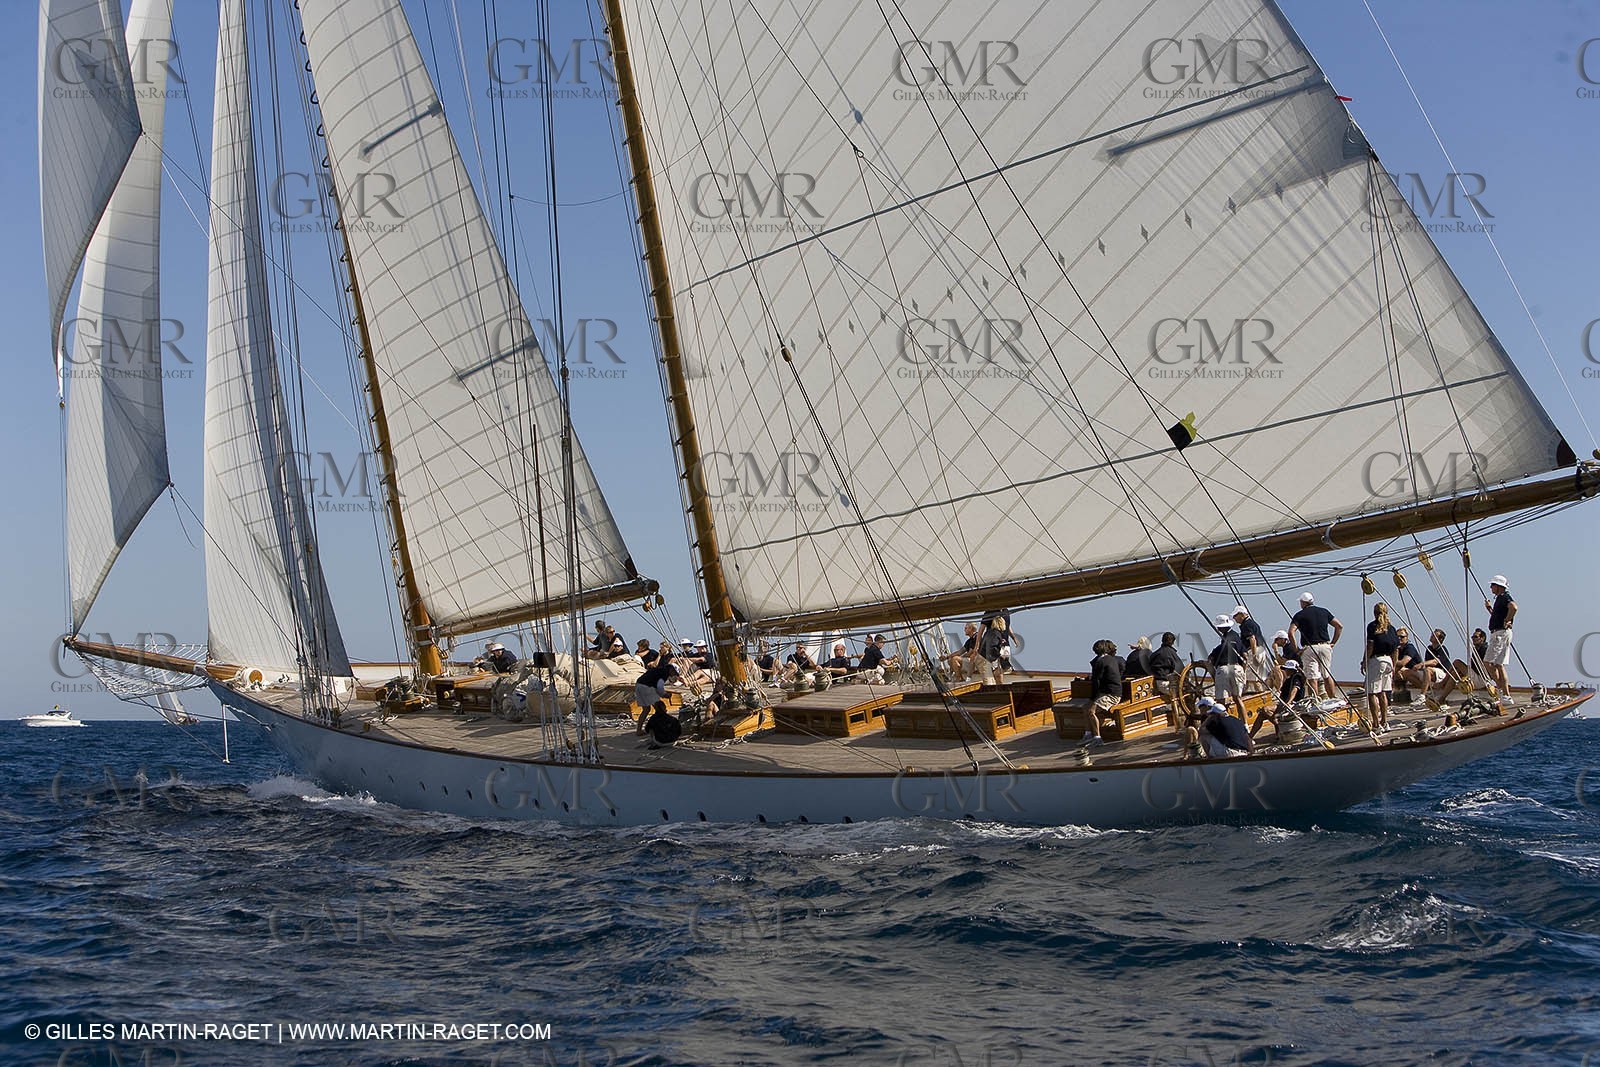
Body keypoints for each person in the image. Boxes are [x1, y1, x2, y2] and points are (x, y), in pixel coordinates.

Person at [1289, 592, 1344, 703]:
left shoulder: (1299, 615)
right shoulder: (1324, 611)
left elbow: (1291, 632)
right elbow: (1339, 626)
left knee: (1312, 677)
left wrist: (1296, 649)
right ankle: (1333, 699)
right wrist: (1333, 643)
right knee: (1327, 674)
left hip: (1309, 648)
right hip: (1325, 646)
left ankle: (1315, 702)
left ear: (1303, 603)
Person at [1362, 602, 1399, 732]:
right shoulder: (1392, 629)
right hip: (1388, 660)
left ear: (1375, 613)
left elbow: (1370, 646)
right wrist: (1394, 666)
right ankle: (1384, 721)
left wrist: (1364, 661)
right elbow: (1396, 650)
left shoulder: (1373, 626)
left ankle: (1376, 724)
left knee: (1372, 693)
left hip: (1377, 660)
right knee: (1382, 692)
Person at [1208, 613, 1248, 722]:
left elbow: (1210, 660)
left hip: (1224, 669)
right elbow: (1245, 656)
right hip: (1237, 668)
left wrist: (1214, 673)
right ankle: (1244, 724)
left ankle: (1223, 724)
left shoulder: (1223, 642)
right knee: (1238, 698)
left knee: (1221, 701)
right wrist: (1243, 671)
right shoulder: (1236, 637)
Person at [1483, 575, 1517, 704]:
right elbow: (1498, 616)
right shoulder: (1500, 599)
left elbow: (1514, 607)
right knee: (1499, 665)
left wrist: (1508, 620)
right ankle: (1506, 695)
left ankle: (1501, 690)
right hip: (1501, 633)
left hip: (1499, 634)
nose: (1491, 587)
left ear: (1498, 586)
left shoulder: (1503, 597)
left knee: (1488, 663)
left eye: (1492, 585)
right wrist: (1490, 609)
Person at [634, 659, 682, 745]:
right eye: (674, 673)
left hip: (639, 685)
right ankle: (661, 727)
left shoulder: (659, 669)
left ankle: (639, 730)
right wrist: (665, 695)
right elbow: (659, 687)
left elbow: (656, 684)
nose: (673, 675)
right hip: (647, 687)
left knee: (646, 710)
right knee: (659, 708)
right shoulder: (664, 673)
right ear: (671, 669)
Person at [1087, 639, 1124, 742]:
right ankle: (1088, 734)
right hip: (1113, 692)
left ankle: (1097, 738)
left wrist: (1093, 698)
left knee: (1090, 711)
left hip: (1111, 694)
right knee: (1086, 708)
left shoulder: (1100, 662)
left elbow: (1096, 682)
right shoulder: (1112, 659)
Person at [1233, 605, 1269, 694]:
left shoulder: (1246, 625)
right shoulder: (1252, 623)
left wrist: (1254, 655)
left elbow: (1252, 639)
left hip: (1254, 650)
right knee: (1252, 678)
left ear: (1241, 614)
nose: (1234, 618)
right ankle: (1242, 695)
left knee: (1253, 679)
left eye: (1235, 616)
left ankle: (1261, 697)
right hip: (1261, 650)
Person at [1419, 629, 1454, 705]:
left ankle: (1422, 696)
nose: (1432, 636)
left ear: (1440, 639)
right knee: (1411, 673)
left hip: (1443, 673)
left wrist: (1421, 664)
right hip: (1433, 672)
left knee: (1428, 670)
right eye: (1432, 634)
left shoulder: (1442, 649)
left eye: (1434, 635)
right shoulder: (1429, 648)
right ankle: (1428, 691)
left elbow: (1435, 662)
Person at [1150, 631, 1184, 703]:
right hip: (1165, 684)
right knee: (1185, 691)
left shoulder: (1155, 653)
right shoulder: (1171, 653)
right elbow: (1180, 669)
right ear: (1172, 642)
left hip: (1154, 683)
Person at [977, 614, 1010, 683]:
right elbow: (992, 647)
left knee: (991, 681)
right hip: (984, 659)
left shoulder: (990, 632)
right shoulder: (996, 634)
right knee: (989, 682)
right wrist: (1000, 655)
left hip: (983, 658)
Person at [1392, 627, 1423, 692]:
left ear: (1407, 637)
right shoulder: (1398, 649)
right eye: (1397, 636)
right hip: (1409, 672)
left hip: (1418, 671)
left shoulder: (1409, 648)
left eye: (1402, 637)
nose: (1399, 638)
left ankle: (1425, 688)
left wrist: (1391, 662)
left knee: (1400, 671)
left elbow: (1402, 663)